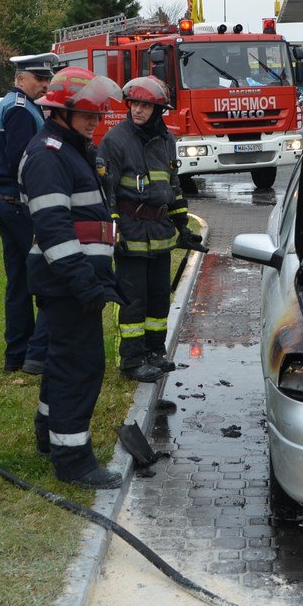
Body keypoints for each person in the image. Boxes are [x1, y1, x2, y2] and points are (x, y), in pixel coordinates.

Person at [21, 66, 126, 490]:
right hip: (66, 280)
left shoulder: (72, 148)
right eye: (86, 114)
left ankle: (49, 434)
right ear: (60, 111)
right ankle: (73, 460)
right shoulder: (49, 154)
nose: (94, 121)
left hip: (73, 278)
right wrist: (84, 282)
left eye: (97, 114)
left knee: (63, 360)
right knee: (79, 366)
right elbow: (53, 230)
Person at [98, 76, 193, 383]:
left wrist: (183, 226)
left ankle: (154, 351)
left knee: (157, 300)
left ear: (158, 109)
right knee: (132, 300)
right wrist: (114, 232)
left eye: (145, 105)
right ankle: (131, 359)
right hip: (130, 233)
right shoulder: (115, 140)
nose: (138, 110)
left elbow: (173, 188)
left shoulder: (166, 141)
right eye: (134, 104)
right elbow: (105, 192)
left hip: (160, 233)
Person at [0, 53, 56, 375]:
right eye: (38, 78)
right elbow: (23, 161)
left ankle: (17, 354)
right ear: (20, 79)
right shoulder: (20, 111)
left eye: (47, 78)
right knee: (43, 275)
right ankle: (36, 355)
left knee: (18, 282)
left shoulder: (18, 105)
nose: (45, 84)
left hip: (7, 202)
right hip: (17, 204)